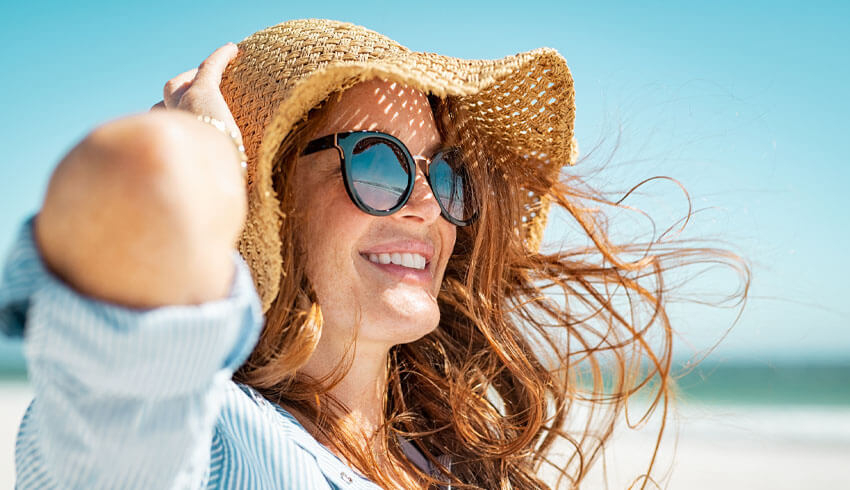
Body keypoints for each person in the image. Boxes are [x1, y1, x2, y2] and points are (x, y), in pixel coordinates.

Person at [0, 19, 747, 489]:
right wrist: (201, 156)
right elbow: (127, 182)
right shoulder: (206, 443)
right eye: (380, 163)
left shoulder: (446, 464)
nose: (427, 205)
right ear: (269, 195)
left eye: (442, 173)